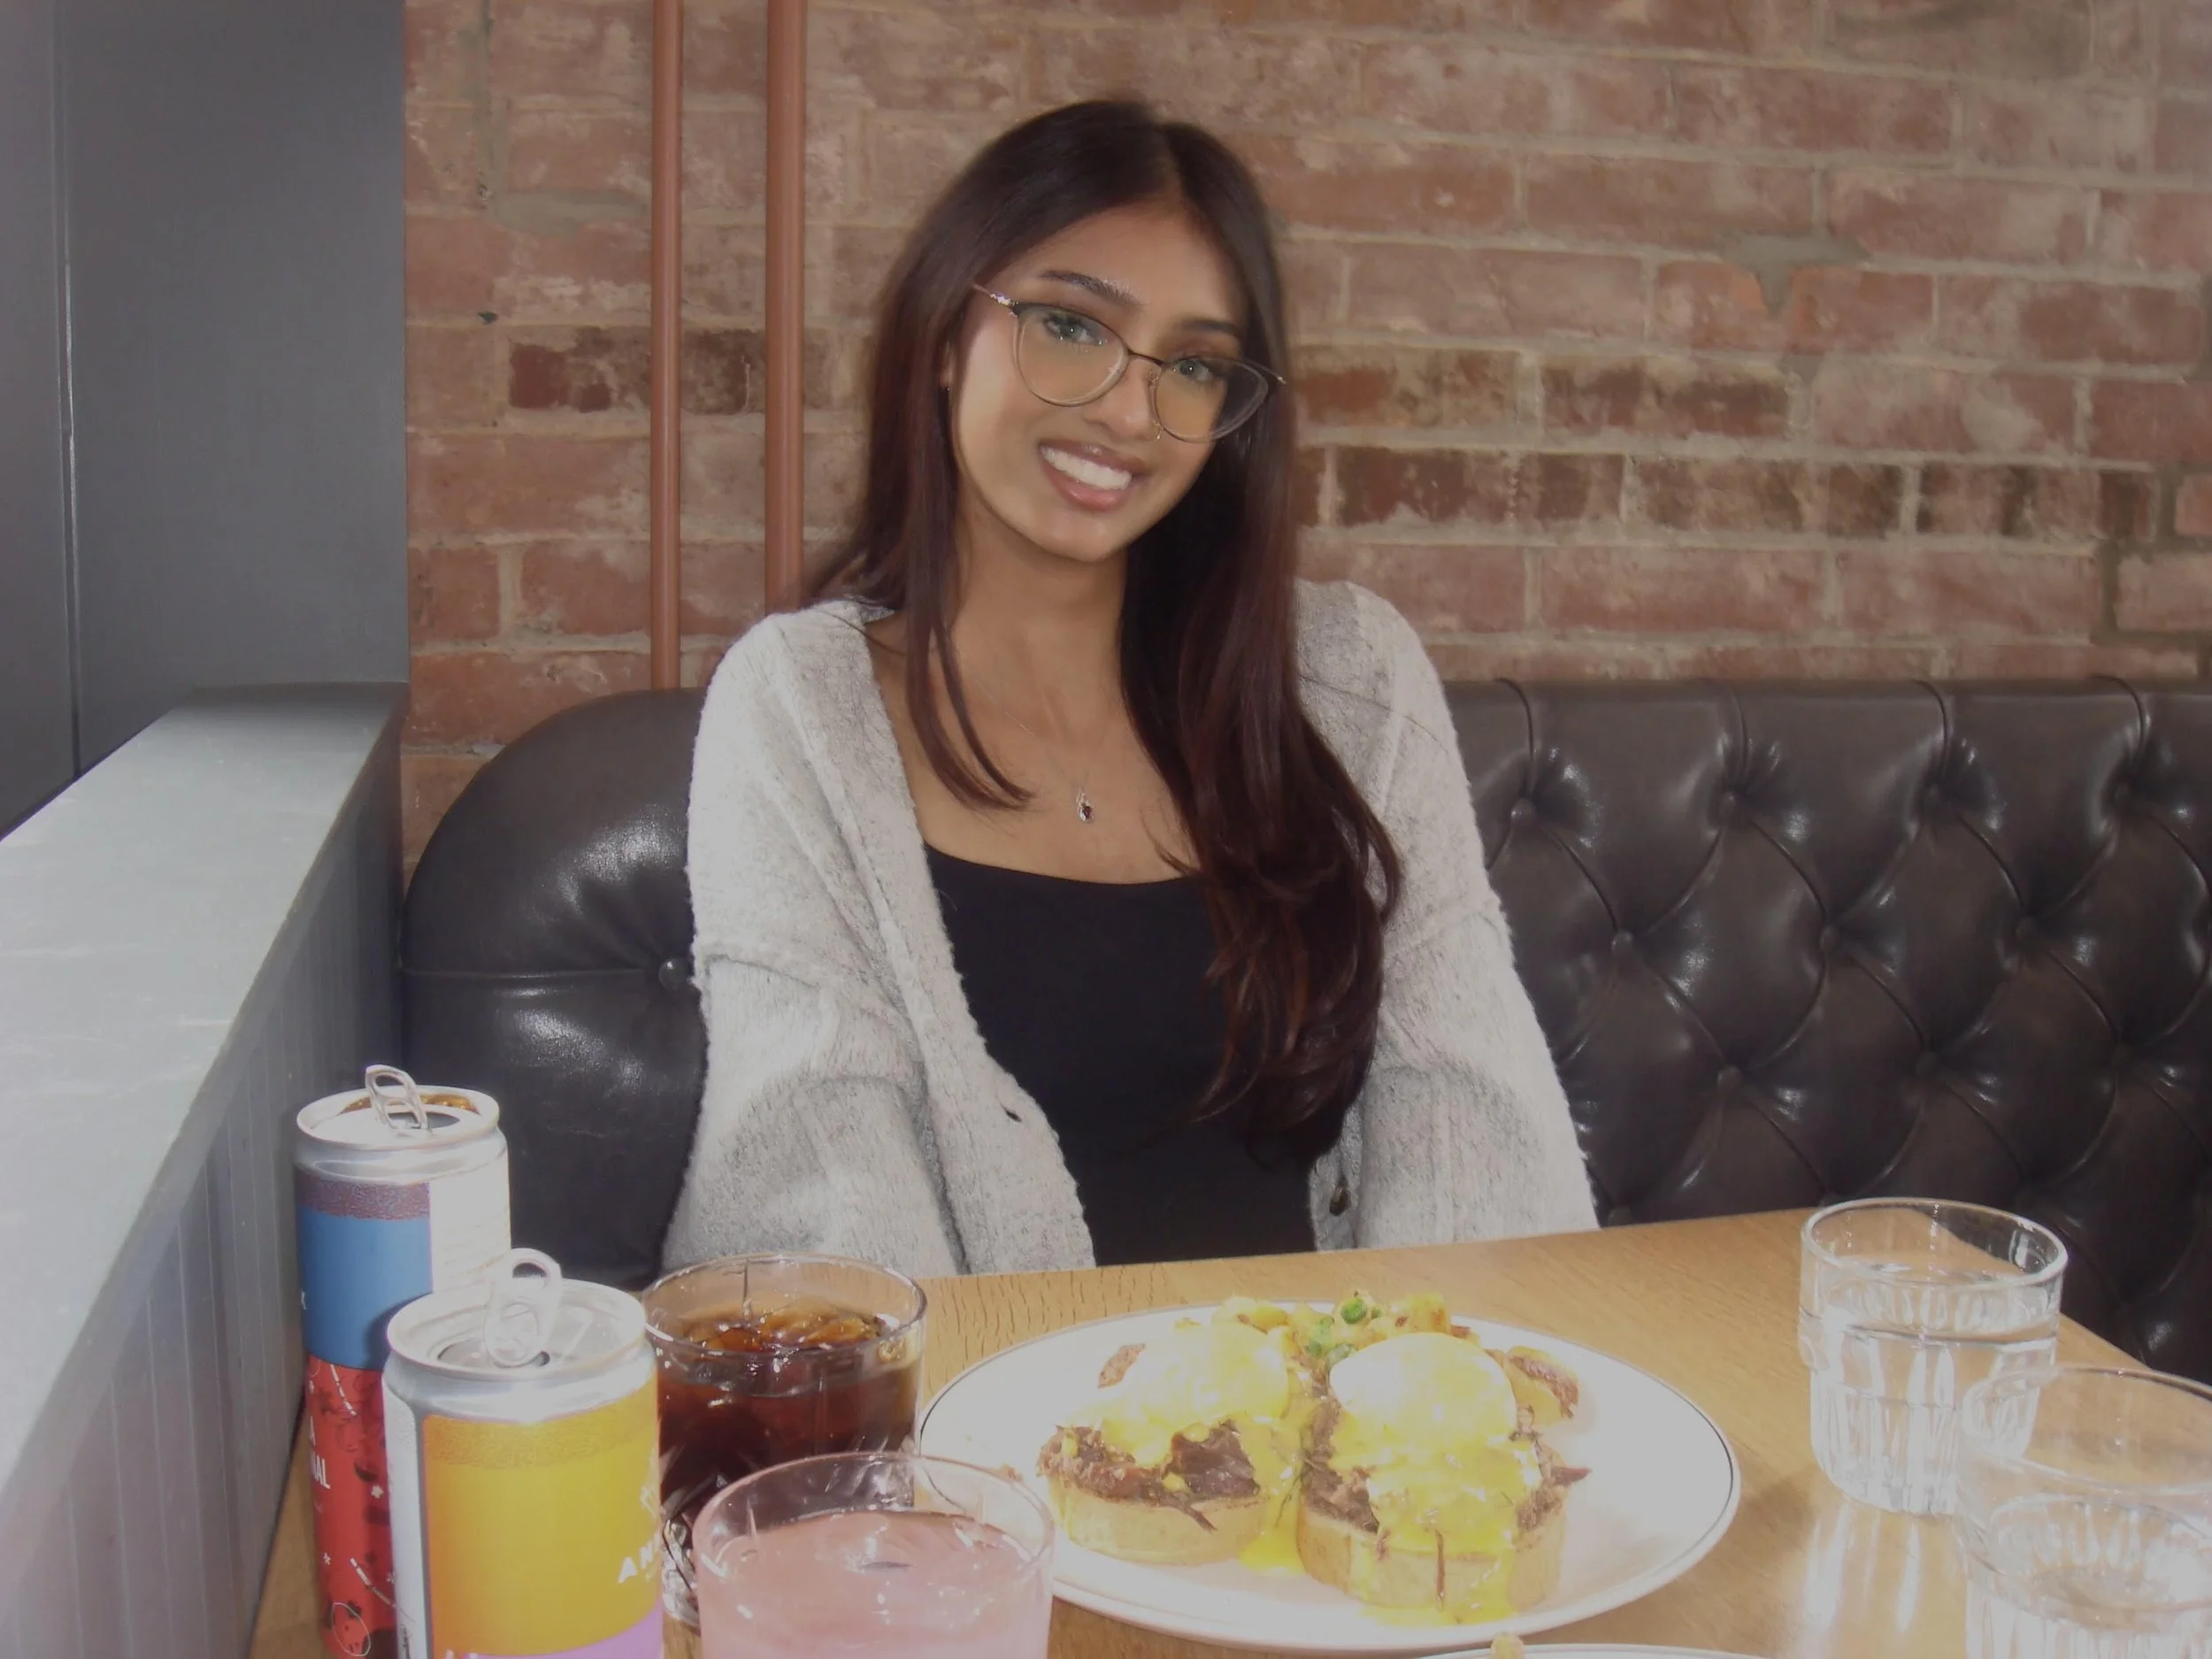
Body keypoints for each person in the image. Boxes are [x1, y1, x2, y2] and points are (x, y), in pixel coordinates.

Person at [665, 100, 1594, 1279]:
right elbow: (826, 1193)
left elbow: (1464, 1114)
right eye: (1068, 324)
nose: (1125, 409)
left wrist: (1423, 1409)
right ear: (948, 334)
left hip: (1339, 1431)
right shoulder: (799, 706)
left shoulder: (1350, 680)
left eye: (1193, 365)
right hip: (967, 1441)